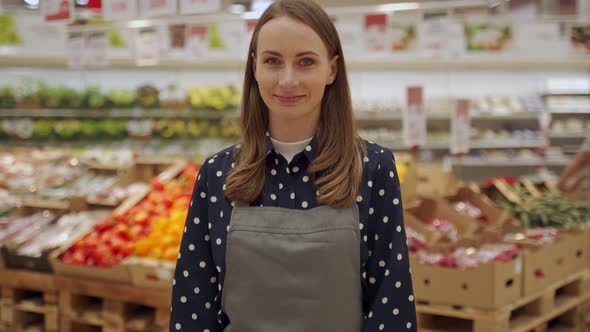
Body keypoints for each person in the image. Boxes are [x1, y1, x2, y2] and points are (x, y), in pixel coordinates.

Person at [169, 0, 417, 331]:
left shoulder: (373, 169)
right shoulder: (217, 173)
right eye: (273, 61)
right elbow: (193, 306)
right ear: (255, 68)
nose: (288, 79)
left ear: (331, 69)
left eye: (305, 62)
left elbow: (391, 304)